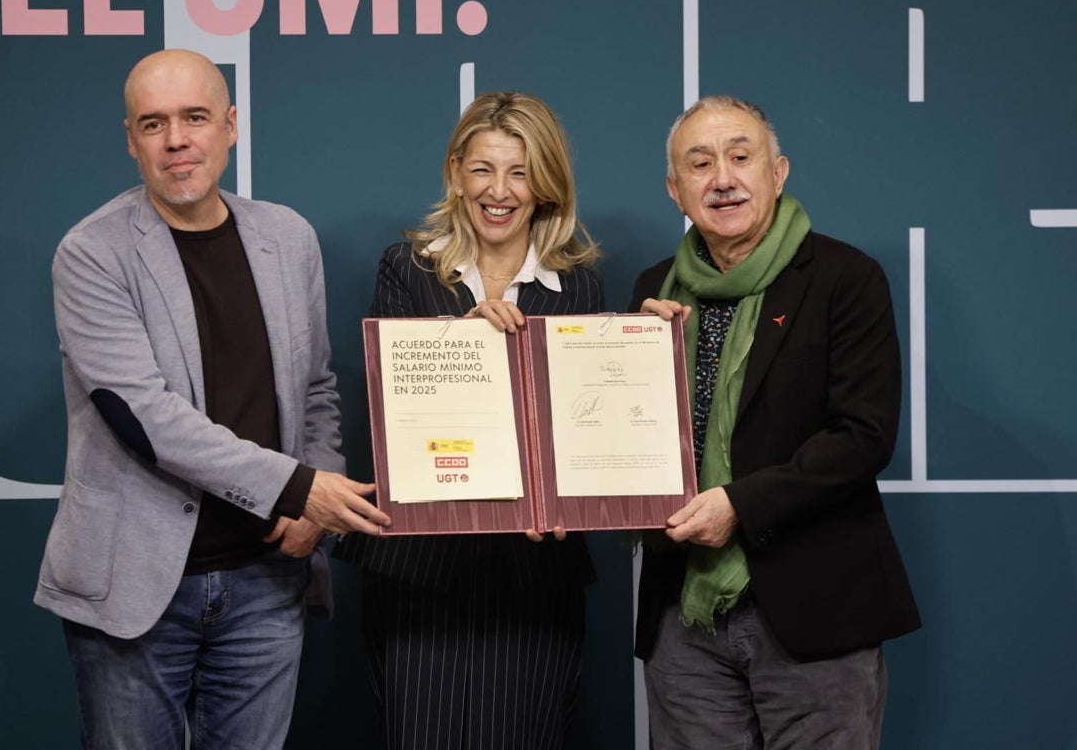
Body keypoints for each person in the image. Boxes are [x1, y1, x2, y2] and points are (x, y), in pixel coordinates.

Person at [34, 48, 391, 749]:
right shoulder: (92, 253)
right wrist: (298, 487)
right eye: (154, 123)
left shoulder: (287, 239)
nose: (177, 140)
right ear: (131, 140)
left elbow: (317, 389)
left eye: (194, 117)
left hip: (267, 578)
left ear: (230, 126)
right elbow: (144, 417)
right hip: (137, 586)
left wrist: (310, 512)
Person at [632, 95, 920, 749]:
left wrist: (738, 503)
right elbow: (621, 438)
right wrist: (637, 362)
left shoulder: (845, 278)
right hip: (684, 614)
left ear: (779, 170)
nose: (723, 178)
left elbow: (863, 435)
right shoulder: (655, 293)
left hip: (815, 606)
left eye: (741, 156)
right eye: (699, 164)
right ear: (675, 190)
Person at [334, 92, 604, 749]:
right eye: (483, 169)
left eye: (519, 172)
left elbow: (582, 426)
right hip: (422, 571)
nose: (499, 191)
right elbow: (395, 407)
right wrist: (464, 336)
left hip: (535, 574)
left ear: (545, 184)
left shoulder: (581, 287)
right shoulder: (408, 269)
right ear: (456, 173)